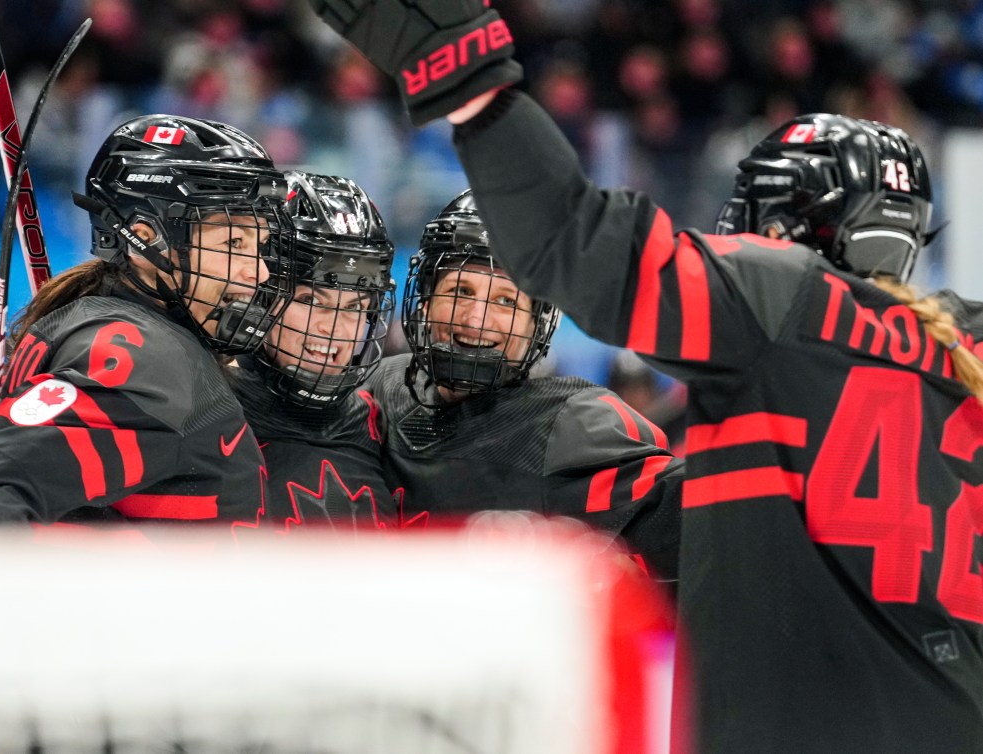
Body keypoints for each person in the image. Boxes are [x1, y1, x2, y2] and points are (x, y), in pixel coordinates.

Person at [307, 4, 983, 752]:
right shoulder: (964, 344)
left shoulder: (779, 303)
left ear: (787, 228)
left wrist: (467, 74)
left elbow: (569, 233)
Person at [0, 114, 296, 527]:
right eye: (233, 242)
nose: (259, 272)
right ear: (146, 242)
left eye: (259, 245)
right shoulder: (148, 362)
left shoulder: (94, 322)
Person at [366, 190, 683, 579]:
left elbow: (702, 525)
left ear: (537, 323)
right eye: (460, 291)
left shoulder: (573, 424)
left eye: (505, 301)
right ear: (426, 302)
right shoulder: (378, 387)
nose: (477, 317)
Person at [230, 170, 398, 531]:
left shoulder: (380, 423)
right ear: (260, 297)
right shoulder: (205, 405)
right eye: (311, 299)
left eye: (355, 306)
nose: (334, 328)